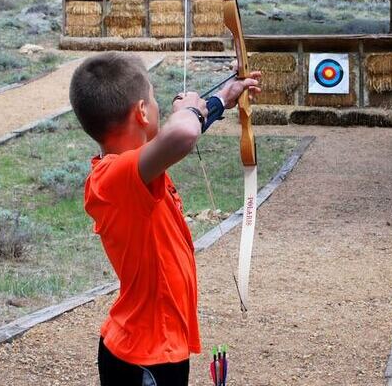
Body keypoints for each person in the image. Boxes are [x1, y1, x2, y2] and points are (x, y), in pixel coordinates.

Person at [68, 52, 261, 386]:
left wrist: (222, 98)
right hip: (143, 356)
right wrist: (186, 110)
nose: (161, 105)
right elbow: (182, 134)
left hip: (156, 349)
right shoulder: (114, 177)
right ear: (142, 112)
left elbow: (175, 136)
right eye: (155, 99)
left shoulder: (137, 164)